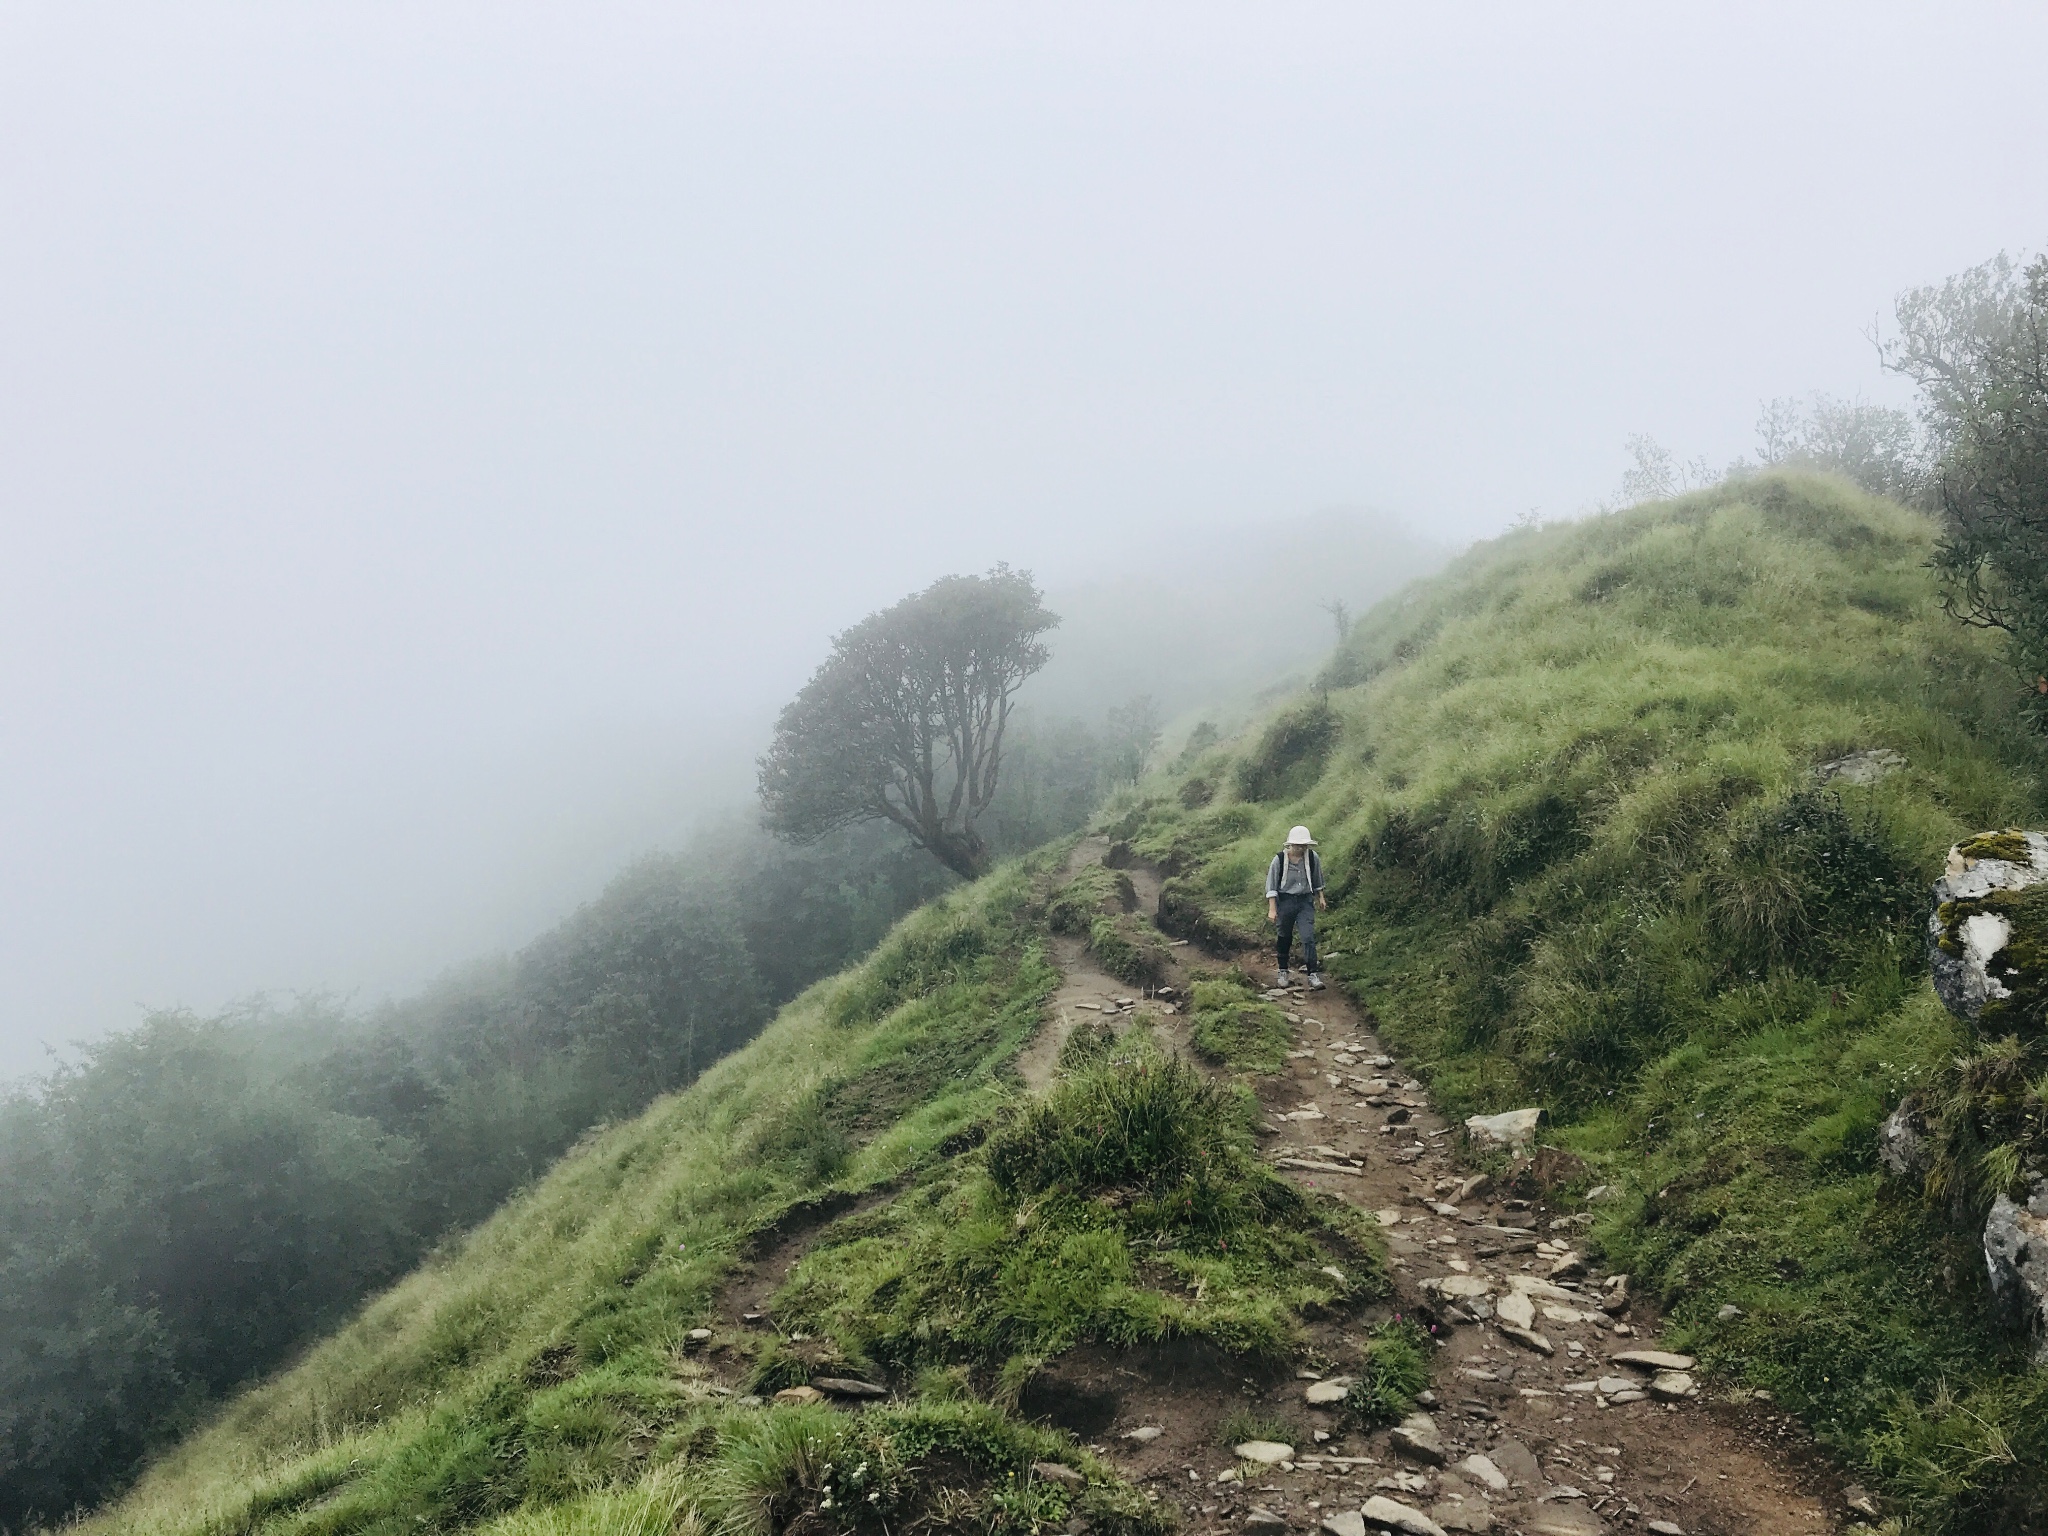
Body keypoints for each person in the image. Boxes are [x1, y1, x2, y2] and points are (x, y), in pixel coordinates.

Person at [1265, 825, 1326, 988]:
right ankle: (1283, 970)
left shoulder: (1312, 858)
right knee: (1284, 935)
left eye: (1304, 846)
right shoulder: (1279, 860)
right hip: (1285, 902)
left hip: (1305, 902)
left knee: (1308, 937)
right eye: (1298, 845)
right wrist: (1272, 909)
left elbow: (1317, 879)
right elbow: (1271, 886)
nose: (1301, 849)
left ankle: (1313, 973)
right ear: (1290, 845)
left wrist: (1321, 897)